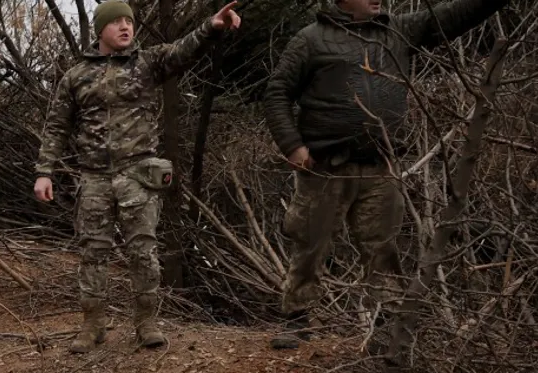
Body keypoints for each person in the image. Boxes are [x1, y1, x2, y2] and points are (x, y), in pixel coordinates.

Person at [263, 0, 508, 349]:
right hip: (325, 167)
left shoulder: (398, 32)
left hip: (381, 164)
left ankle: (385, 326)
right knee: (310, 244)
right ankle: (297, 319)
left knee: (382, 248)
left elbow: (454, 16)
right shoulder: (310, 39)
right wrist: (292, 146)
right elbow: (276, 93)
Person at [34, 1, 241, 353]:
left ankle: (147, 322)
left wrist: (212, 26)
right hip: (95, 177)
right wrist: (44, 171)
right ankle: (92, 325)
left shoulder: (148, 62)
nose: (125, 27)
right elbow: (57, 125)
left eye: (129, 21)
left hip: (137, 174)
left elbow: (183, 50)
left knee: (143, 251)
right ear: (100, 30)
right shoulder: (77, 75)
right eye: (115, 23)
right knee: (93, 253)